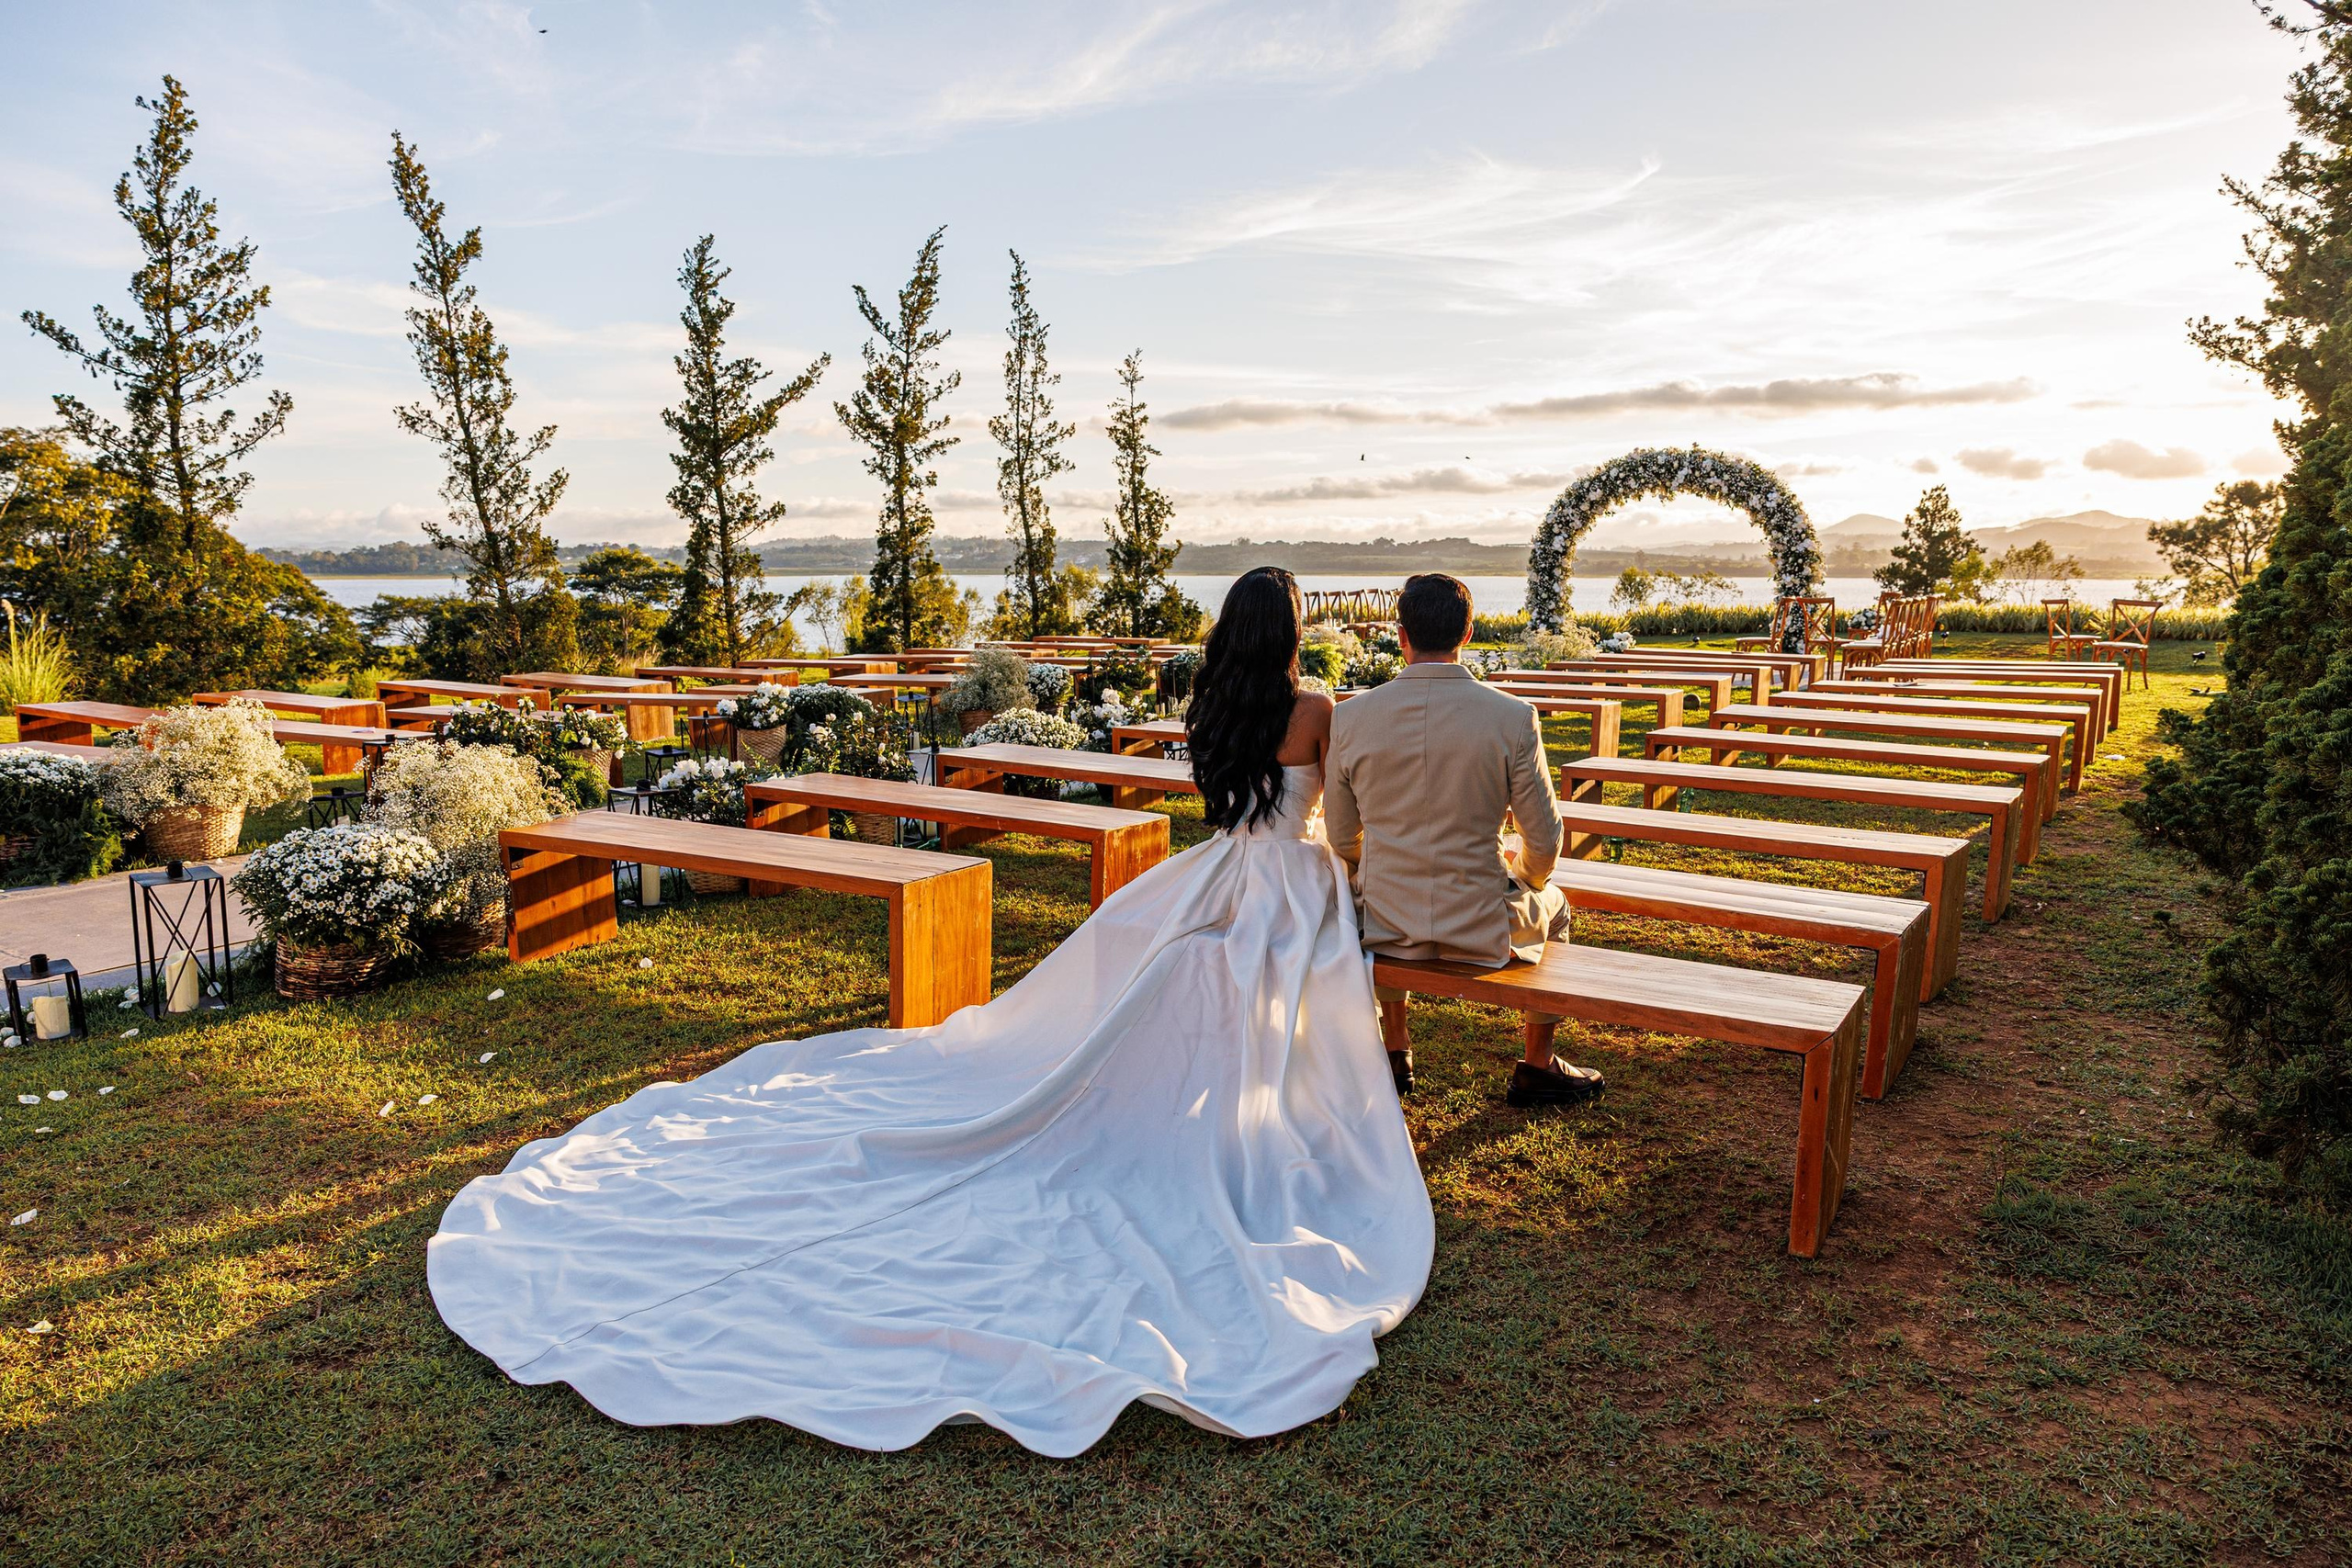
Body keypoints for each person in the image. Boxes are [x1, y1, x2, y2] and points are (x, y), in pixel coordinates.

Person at [427, 566, 1433, 1458]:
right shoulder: (1317, 706)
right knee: (1281, 987)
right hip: (1287, 879)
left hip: (1213, 872)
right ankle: (1272, 1115)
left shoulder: (1214, 702)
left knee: (1159, 998)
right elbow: (1337, 820)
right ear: (1293, 631)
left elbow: (1221, 806)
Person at [1324, 572, 1607, 1109]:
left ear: (1400, 635)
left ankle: (1395, 1047)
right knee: (1558, 905)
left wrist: (1382, 866)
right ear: (1469, 632)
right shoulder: (1511, 717)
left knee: (1372, 889)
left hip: (1385, 921)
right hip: (1483, 925)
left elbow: (1341, 835)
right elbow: (1544, 841)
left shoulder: (1351, 716)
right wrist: (1522, 876)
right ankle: (1539, 1062)